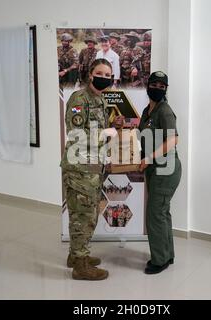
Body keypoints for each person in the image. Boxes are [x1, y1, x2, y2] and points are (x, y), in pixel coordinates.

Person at [60, 58, 120, 280]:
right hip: (80, 169)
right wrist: (104, 134)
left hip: (93, 167)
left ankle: (75, 256)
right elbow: (75, 134)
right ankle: (81, 266)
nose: (104, 77)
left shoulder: (100, 100)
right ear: (90, 74)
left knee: (87, 213)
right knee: (83, 216)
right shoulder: (80, 98)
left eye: (108, 74)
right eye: (100, 73)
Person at [138, 71, 182, 275]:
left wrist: (148, 158)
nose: (157, 88)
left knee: (155, 214)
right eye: (153, 85)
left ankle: (159, 260)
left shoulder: (164, 111)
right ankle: (167, 254)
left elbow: (173, 140)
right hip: (154, 168)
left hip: (166, 169)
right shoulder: (148, 110)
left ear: (166, 89)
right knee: (162, 213)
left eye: (161, 86)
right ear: (148, 86)